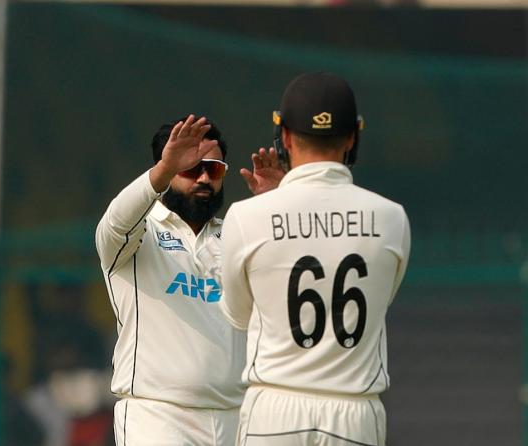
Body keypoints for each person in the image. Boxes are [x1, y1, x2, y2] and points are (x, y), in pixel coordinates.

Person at [219, 72, 411, 446]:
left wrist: (276, 206)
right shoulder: (393, 218)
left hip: (275, 409)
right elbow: (376, 302)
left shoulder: (247, 216)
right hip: (355, 413)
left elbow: (239, 315)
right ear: (353, 136)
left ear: (285, 137)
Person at [95, 115, 282, 445]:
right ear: (166, 168)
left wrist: (278, 208)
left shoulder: (239, 234)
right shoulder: (139, 234)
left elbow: (284, 290)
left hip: (235, 417)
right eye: (191, 168)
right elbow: (114, 225)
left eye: (214, 169)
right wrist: (161, 174)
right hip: (158, 418)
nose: (204, 178)